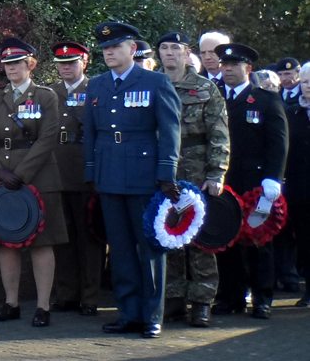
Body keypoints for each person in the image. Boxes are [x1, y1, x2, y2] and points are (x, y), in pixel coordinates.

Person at [83, 21, 180, 339]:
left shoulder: (155, 81)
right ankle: (129, 312)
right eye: (105, 49)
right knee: (121, 249)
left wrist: (166, 172)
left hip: (142, 174)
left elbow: (169, 131)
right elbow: (90, 133)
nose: (109, 52)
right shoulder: (96, 85)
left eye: (115, 47)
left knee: (149, 248)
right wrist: (91, 171)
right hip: (109, 174)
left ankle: (152, 315)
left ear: (133, 49)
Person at [0, 38, 67, 326]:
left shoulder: (46, 96)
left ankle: (42, 307)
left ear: (30, 64)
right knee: (6, 241)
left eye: (17, 63)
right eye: (7, 64)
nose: (12, 68)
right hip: (1, 178)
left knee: (42, 242)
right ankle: (10, 302)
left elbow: (47, 138)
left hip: (38, 176)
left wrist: (22, 174)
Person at [157, 32, 229, 327]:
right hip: (163, 174)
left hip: (197, 173)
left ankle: (202, 301)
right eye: (164, 48)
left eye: (176, 48)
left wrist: (217, 173)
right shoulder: (152, 85)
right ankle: (173, 298)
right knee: (168, 233)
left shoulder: (204, 88)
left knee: (199, 238)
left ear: (187, 54)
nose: (170, 53)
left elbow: (218, 133)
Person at [213, 43, 288, 320]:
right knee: (225, 240)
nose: (228, 69)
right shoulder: (216, 96)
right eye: (224, 64)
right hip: (224, 180)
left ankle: (262, 298)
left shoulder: (266, 100)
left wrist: (273, 177)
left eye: (234, 65)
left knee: (258, 240)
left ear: (248, 69)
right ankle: (230, 296)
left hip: (255, 182)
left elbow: (278, 143)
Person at [48, 41, 101, 316]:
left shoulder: (96, 88)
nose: (66, 68)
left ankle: (90, 296)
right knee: (63, 235)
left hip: (85, 169)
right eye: (61, 63)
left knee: (89, 236)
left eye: (71, 62)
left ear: (85, 62)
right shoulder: (50, 93)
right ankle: (67, 293)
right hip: (57, 169)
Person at [285, 63, 310, 308]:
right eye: (304, 82)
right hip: (301, 189)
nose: (308, 86)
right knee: (305, 240)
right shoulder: (292, 114)